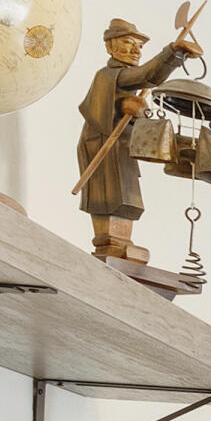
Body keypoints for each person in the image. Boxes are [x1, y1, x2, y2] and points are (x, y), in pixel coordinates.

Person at [76, 16, 198, 262]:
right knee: (109, 194)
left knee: (127, 195)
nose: (135, 50)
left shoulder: (123, 78)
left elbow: (138, 86)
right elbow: (146, 75)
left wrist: (131, 108)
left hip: (121, 144)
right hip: (102, 143)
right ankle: (109, 244)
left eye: (139, 46)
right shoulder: (109, 76)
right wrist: (173, 53)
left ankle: (122, 244)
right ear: (110, 47)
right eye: (128, 42)